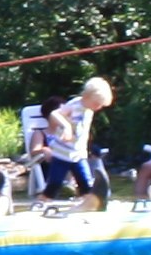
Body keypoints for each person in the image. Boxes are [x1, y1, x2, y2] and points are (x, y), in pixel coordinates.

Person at [27, 77, 112, 206]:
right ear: (87, 96)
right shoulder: (74, 105)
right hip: (62, 153)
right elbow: (55, 114)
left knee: (86, 183)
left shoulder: (89, 109)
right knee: (54, 184)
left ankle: (89, 203)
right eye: (97, 104)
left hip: (78, 155)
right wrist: (66, 126)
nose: (98, 108)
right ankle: (40, 202)